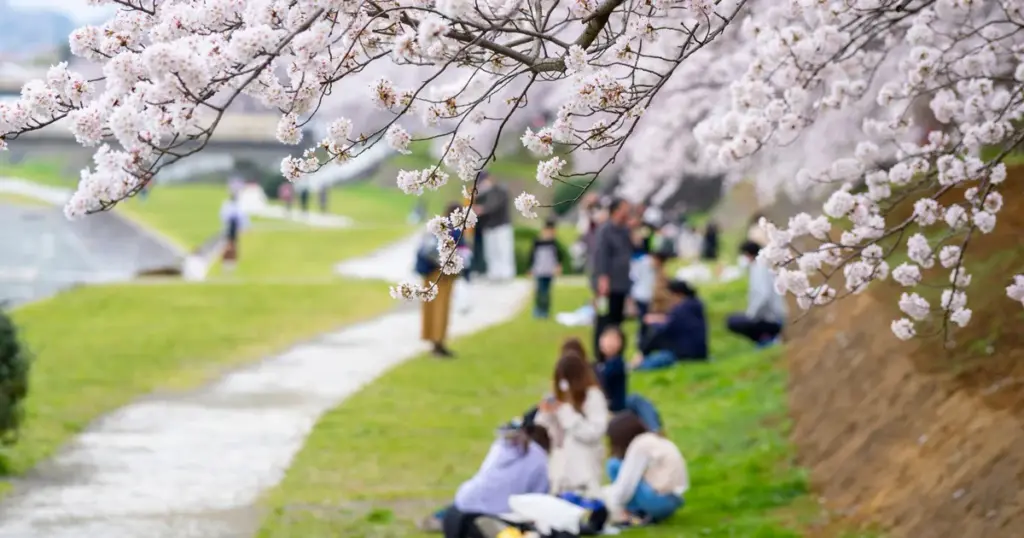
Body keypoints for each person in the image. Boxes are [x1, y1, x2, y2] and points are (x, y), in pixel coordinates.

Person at [420, 411, 551, 536]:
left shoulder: (501, 446)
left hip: (458, 510)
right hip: (480, 519)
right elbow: (537, 504)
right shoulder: (538, 459)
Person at [535, 351, 609, 498]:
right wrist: (546, 415)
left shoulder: (593, 397)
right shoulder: (561, 400)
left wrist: (567, 414)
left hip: (586, 463)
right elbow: (550, 438)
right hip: (561, 466)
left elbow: (593, 433)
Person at [602, 413, 688, 525]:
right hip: (674, 500)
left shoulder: (639, 446)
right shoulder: (655, 440)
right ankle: (639, 512)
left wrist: (609, 503)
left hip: (658, 501)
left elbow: (627, 484)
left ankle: (630, 513)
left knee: (614, 464)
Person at [593, 327, 662, 433]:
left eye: (614, 340)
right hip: (606, 409)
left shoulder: (617, 363)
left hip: (617, 407)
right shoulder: (597, 366)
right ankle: (655, 428)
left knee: (637, 400)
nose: (609, 343)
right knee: (636, 400)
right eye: (606, 338)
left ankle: (655, 428)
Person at [416, 203, 462, 358]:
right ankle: (438, 342)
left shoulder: (434, 227)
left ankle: (433, 341)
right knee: (441, 309)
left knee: (430, 308)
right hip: (442, 274)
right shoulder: (454, 232)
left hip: (428, 273)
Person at [591, 198, 633, 361]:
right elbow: (601, 256)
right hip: (607, 285)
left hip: (621, 284)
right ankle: (600, 354)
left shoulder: (624, 231)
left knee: (617, 320)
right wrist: (602, 278)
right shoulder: (605, 230)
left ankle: (615, 351)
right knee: (604, 319)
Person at [631, 280, 708, 370]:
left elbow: (665, 330)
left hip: (684, 353)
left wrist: (644, 350)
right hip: (699, 351)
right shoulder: (694, 306)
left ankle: (639, 361)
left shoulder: (681, 309)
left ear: (677, 295)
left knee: (655, 339)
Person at [727, 241, 787, 346]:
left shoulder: (760, 269)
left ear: (748, 254)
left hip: (772, 319)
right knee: (734, 319)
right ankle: (764, 337)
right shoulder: (758, 268)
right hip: (768, 316)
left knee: (734, 322)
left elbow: (764, 296)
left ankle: (766, 338)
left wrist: (751, 315)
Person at [473, 173, 515, 281]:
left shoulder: (501, 191)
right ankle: (494, 273)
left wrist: (483, 209)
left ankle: (506, 274)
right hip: (489, 227)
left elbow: (494, 205)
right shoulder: (483, 193)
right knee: (491, 252)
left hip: (501, 226)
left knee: (503, 251)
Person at [528, 219, 565, 318]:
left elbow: (559, 256)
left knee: (546, 292)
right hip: (539, 270)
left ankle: (545, 311)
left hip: (549, 271)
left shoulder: (554, 243)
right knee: (539, 291)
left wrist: (558, 266)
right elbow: (532, 255)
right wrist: (530, 268)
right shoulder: (537, 241)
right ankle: (538, 310)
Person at [629, 231, 655, 344]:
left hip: (639, 293)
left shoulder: (636, 261)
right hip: (649, 292)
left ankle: (642, 339)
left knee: (643, 318)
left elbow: (633, 277)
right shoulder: (652, 261)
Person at [220, 193, 248, 272]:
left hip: (233, 226)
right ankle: (227, 262)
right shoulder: (227, 205)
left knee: (233, 245)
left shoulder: (235, 205)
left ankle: (232, 262)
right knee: (229, 244)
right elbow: (224, 216)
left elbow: (241, 217)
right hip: (229, 225)